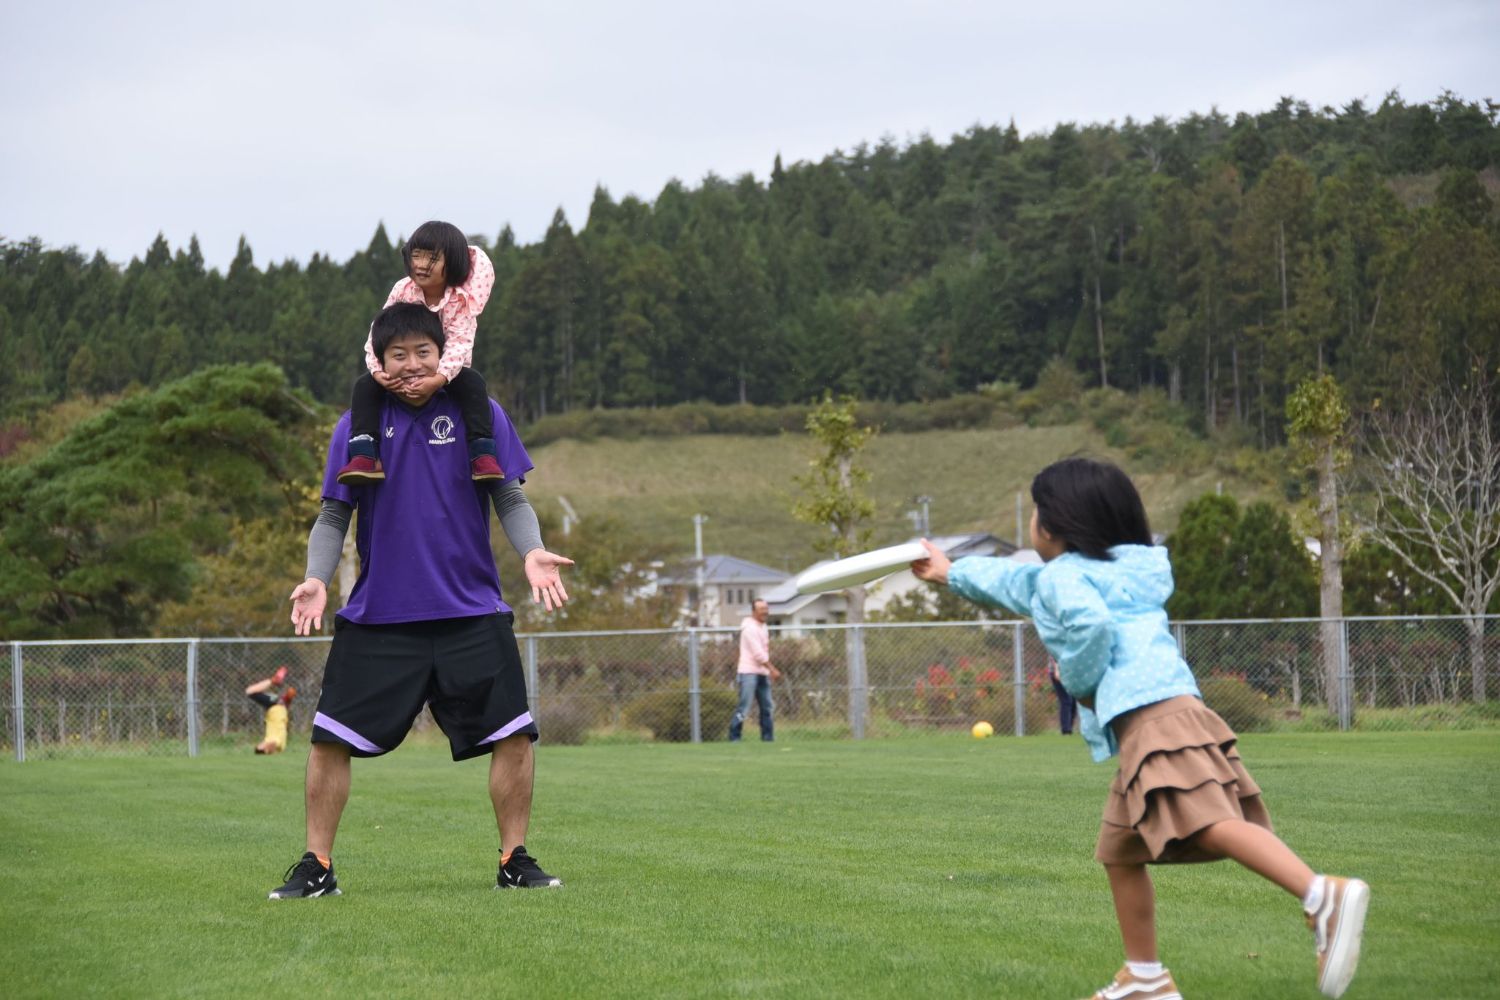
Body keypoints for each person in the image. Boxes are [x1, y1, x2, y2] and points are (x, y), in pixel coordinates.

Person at [911, 458, 1369, 1000]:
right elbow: (1015, 582)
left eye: (1036, 512)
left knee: (1207, 822)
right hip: (1171, 709)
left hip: (1149, 716)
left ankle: (1320, 894)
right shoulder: (1118, 571)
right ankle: (1145, 979)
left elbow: (1090, 626)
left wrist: (1079, 681)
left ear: (1054, 525)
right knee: (1120, 851)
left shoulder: (1064, 577)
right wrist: (950, 571)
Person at [269, 301, 574, 900]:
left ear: (444, 354)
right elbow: (334, 512)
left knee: (514, 734)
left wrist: (532, 551)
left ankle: (514, 860)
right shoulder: (355, 425)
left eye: (422, 353)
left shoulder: (477, 411)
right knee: (330, 737)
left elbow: (509, 498)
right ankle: (318, 865)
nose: (411, 366)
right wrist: (316, 576)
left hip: (471, 610)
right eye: (397, 355)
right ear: (379, 363)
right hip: (381, 616)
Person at [336, 220, 501, 486]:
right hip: (402, 366)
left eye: (432, 258)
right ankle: (365, 452)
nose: (422, 264)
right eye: (417, 255)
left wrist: (438, 379)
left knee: (473, 384)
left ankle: (481, 451)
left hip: (447, 372)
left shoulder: (460, 299)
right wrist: (378, 370)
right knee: (365, 387)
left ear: (454, 262)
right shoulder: (403, 290)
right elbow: (379, 331)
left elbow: (460, 345)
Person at [729, 598, 781, 742]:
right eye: (761, 609)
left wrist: (767, 670)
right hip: (748, 673)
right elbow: (758, 654)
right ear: (754, 611)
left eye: (766, 608)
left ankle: (767, 738)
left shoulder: (763, 626)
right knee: (744, 707)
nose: (765, 612)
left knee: (767, 707)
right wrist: (772, 669)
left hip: (762, 673)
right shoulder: (749, 629)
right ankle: (734, 737)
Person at [245, 666, 296, 755]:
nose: (260, 745)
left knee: (251, 691)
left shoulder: (277, 744)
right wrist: (261, 749)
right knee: (250, 692)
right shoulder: (275, 742)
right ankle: (273, 681)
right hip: (276, 709)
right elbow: (269, 745)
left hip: (277, 710)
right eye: (261, 746)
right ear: (267, 750)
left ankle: (284, 697)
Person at [1048, 657, 1079, 735]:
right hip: (1059, 672)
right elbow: (1054, 654)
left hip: (1070, 673)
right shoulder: (1057, 644)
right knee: (1066, 701)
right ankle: (1066, 730)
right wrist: (1057, 670)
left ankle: (1069, 728)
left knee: (1073, 701)